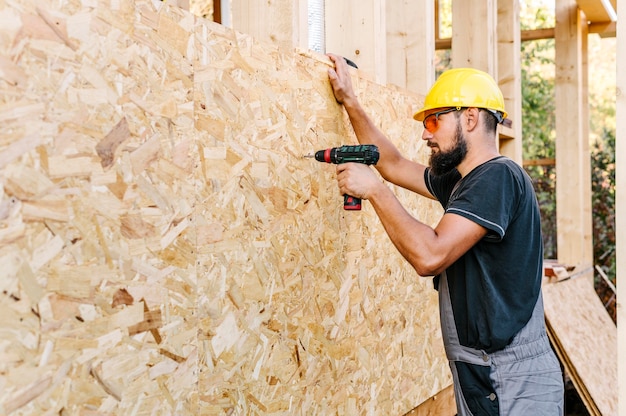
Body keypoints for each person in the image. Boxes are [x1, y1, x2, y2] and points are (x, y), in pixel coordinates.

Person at [325, 53, 564, 415]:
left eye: (434, 121)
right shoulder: (464, 181)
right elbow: (393, 164)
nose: (425, 133)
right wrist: (351, 101)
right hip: (481, 370)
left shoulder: (497, 177)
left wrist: (373, 190)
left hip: (511, 375)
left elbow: (430, 256)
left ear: (469, 117)